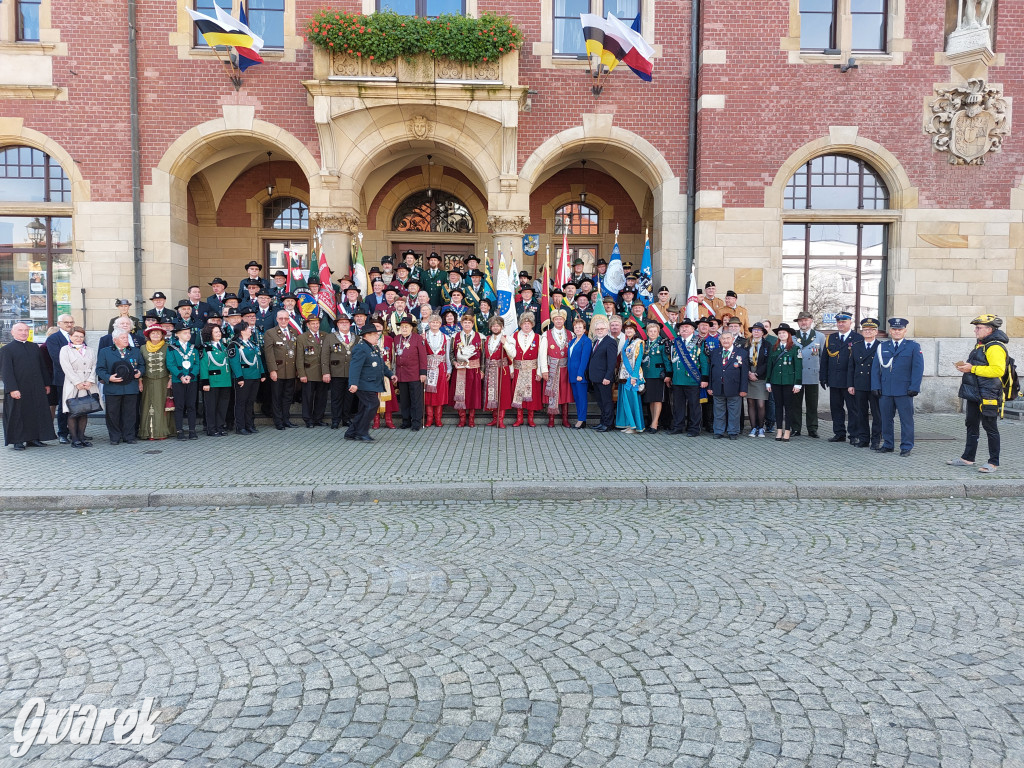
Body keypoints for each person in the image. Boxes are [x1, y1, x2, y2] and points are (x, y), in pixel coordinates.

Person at [952, 314, 1009, 473]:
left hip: (988, 394)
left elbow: (998, 370)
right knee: (971, 424)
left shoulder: (995, 347)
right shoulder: (982, 345)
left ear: (989, 329)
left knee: (990, 427)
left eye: (978, 328)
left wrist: (973, 368)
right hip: (975, 393)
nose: (975, 330)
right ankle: (968, 458)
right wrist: (966, 367)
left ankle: (993, 462)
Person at [871, 318, 924, 457]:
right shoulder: (883, 346)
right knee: (886, 419)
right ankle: (888, 444)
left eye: (899, 329)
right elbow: (875, 368)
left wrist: (914, 387)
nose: (896, 332)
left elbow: (918, 368)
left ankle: (906, 446)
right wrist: (875, 386)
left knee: (906, 419)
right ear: (890, 331)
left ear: (905, 331)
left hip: (904, 390)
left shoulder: (913, 346)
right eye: (894, 329)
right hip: (886, 389)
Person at [1, 322, 57, 450]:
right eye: (20, 330)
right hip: (18, 388)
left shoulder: (34, 347)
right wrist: (12, 389)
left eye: (26, 330)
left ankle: (33, 438)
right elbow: (6, 372)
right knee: (18, 414)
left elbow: (42, 367)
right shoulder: (6, 349)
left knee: (35, 412)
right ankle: (18, 440)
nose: (23, 333)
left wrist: (46, 383)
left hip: (36, 387)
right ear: (13, 332)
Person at [344, 324, 396, 442]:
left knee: (364, 408)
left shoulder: (374, 347)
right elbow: (355, 367)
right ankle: (362, 432)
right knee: (372, 404)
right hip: (364, 384)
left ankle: (351, 432)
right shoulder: (361, 348)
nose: (377, 337)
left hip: (372, 383)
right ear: (367, 336)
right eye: (375, 335)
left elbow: (381, 364)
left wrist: (390, 374)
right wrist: (353, 383)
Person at [819, 311, 863, 443]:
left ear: (850, 322)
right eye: (838, 322)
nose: (841, 324)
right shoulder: (831, 338)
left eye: (843, 322)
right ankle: (839, 433)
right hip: (834, 379)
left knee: (852, 408)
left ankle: (854, 434)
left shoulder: (857, 338)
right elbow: (825, 359)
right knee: (836, 408)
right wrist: (823, 377)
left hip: (850, 381)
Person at [96, 328, 145, 445]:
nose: (126, 340)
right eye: (123, 338)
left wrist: (140, 372)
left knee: (130, 413)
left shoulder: (135, 351)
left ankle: (129, 436)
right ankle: (114, 437)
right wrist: (108, 377)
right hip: (113, 388)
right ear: (115, 340)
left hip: (130, 387)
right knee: (113, 414)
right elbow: (99, 369)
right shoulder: (105, 352)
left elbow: (142, 365)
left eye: (127, 338)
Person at [59, 326, 99, 448]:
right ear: (70, 337)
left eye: (81, 336)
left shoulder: (90, 350)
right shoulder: (65, 350)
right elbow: (66, 367)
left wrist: (90, 381)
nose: (79, 338)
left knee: (84, 411)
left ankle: (82, 437)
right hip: (73, 383)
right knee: (73, 411)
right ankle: (74, 439)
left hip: (88, 384)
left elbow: (95, 366)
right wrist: (77, 382)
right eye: (76, 336)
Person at [667, 319, 708, 437]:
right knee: (677, 405)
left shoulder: (699, 342)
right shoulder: (675, 342)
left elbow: (704, 362)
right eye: (682, 327)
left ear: (692, 330)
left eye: (687, 327)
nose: (684, 329)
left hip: (693, 380)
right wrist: (670, 376)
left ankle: (694, 428)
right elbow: (670, 360)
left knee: (694, 406)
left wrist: (704, 378)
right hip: (677, 380)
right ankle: (678, 426)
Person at [847, 317, 882, 449]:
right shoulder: (856, 347)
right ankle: (863, 439)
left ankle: (876, 440)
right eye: (865, 330)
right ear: (862, 332)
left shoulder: (880, 347)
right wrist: (850, 384)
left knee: (876, 414)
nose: (868, 332)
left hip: (874, 385)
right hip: (859, 384)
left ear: (876, 332)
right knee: (861, 413)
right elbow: (851, 367)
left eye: (871, 330)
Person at [708, 331, 749, 439]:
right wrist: (710, 386)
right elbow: (711, 371)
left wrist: (743, 389)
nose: (726, 340)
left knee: (734, 412)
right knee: (718, 411)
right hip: (718, 387)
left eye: (728, 338)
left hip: (734, 388)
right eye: (723, 339)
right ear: (720, 340)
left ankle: (733, 432)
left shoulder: (742, 353)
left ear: (732, 340)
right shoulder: (715, 352)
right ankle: (718, 431)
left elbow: (744, 373)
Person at [766, 323, 802, 442]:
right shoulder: (774, 348)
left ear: (789, 334)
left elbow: (798, 367)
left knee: (788, 407)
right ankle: (779, 430)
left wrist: (798, 383)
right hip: (776, 381)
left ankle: (787, 431)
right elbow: (769, 366)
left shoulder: (795, 348)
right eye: (780, 333)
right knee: (778, 407)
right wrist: (768, 382)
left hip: (789, 382)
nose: (781, 335)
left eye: (784, 333)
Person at [228, 321, 265, 435]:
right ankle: (240, 426)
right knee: (241, 402)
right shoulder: (234, 345)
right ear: (242, 331)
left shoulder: (252, 343)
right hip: (243, 377)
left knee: (250, 402)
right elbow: (234, 362)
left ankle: (249, 425)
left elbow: (258, 359)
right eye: (248, 328)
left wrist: (262, 373)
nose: (251, 330)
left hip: (254, 376)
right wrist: (239, 377)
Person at [264, 309, 299, 430]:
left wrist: (297, 370)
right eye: (281, 318)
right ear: (277, 319)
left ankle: (286, 419)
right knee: (277, 397)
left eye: (286, 318)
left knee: (288, 397)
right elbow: (269, 354)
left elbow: (296, 352)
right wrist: (272, 370)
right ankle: (278, 421)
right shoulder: (270, 333)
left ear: (289, 319)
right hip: (277, 371)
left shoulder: (294, 332)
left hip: (290, 371)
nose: (283, 321)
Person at [792, 311, 825, 438]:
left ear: (811, 321)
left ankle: (812, 428)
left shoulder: (820, 336)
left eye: (806, 320)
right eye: (801, 321)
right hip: (797, 375)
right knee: (795, 403)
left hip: (812, 374)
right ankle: (795, 428)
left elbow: (823, 357)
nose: (803, 323)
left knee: (812, 404)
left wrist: (822, 375)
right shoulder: (793, 336)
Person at [139, 325, 174, 440]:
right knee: (147, 405)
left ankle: (162, 431)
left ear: (162, 335)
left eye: (158, 333)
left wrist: (170, 379)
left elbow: (170, 364)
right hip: (147, 380)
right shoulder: (142, 348)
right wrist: (140, 381)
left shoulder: (167, 347)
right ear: (148, 335)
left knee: (162, 405)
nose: (155, 335)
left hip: (163, 380)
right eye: (153, 333)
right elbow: (141, 365)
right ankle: (148, 432)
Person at [538, 309, 572, 428]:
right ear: (552, 320)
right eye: (556, 319)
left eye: (561, 319)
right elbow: (542, 354)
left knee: (565, 394)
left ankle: (565, 418)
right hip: (551, 367)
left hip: (565, 368)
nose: (559, 321)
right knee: (551, 392)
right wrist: (544, 370)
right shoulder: (546, 334)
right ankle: (551, 418)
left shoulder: (570, 334)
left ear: (564, 320)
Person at [166, 322, 200, 440]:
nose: (188, 335)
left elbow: (196, 364)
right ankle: (179, 431)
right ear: (178, 335)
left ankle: (192, 430)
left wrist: (190, 375)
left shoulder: (193, 347)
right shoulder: (171, 348)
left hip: (191, 380)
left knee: (191, 405)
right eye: (185, 333)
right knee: (179, 406)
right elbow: (170, 364)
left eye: (189, 333)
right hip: (178, 380)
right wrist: (180, 376)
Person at [394, 316, 427, 430]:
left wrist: (423, 373)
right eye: (402, 326)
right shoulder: (396, 338)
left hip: (414, 374)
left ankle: (416, 422)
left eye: (406, 326)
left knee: (415, 400)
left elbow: (423, 357)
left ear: (411, 328)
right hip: (401, 374)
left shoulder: (417, 338)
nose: (404, 328)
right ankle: (406, 421)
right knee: (404, 400)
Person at [323, 314, 356, 429]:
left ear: (350, 324)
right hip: (336, 372)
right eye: (341, 323)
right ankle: (335, 420)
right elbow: (325, 356)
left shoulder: (355, 338)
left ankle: (346, 419)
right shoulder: (330, 337)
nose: (344, 324)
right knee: (336, 398)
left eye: (346, 322)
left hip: (351, 373)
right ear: (337, 324)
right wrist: (325, 372)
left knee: (349, 398)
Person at [450, 313, 483, 427]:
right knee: (460, 395)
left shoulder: (480, 336)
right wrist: (454, 362)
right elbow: (451, 353)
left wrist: (482, 370)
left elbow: (483, 356)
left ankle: (472, 419)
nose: (467, 324)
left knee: (472, 395)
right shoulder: (455, 337)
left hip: (474, 370)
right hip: (460, 370)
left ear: (473, 324)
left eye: (469, 323)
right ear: (461, 324)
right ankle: (462, 418)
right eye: (465, 323)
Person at [510, 312, 543, 427]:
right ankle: (519, 418)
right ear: (520, 324)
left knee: (531, 395)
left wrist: (540, 372)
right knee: (518, 394)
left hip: (532, 370)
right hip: (518, 369)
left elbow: (541, 356)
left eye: (529, 324)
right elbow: (510, 355)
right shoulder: (514, 336)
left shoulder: (538, 337)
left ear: (532, 325)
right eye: (524, 323)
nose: (526, 326)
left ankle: (530, 418)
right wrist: (511, 370)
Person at [46, 313, 74, 443]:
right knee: (64, 407)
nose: (69, 324)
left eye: (71, 322)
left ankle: (76, 432)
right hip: (63, 378)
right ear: (59, 323)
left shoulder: (77, 336)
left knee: (78, 406)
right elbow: (57, 359)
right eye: (66, 322)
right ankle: (63, 433)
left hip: (79, 379)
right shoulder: (53, 339)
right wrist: (74, 372)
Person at [198, 324, 231, 436]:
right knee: (211, 406)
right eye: (216, 332)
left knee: (223, 406)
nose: (219, 334)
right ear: (209, 334)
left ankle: (220, 426)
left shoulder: (225, 346)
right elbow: (203, 365)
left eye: (219, 332)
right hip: (212, 381)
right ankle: (211, 428)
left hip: (225, 380)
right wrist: (205, 382)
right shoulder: (205, 348)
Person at [297, 315, 328, 428]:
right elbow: (299, 358)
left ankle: (318, 418)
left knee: (321, 397)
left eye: (317, 323)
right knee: (308, 398)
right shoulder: (302, 338)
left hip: (323, 373)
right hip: (309, 372)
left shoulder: (325, 336)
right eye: (313, 324)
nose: (315, 325)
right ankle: (308, 419)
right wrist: (302, 374)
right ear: (308, 325)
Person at [589, 315, 618, 432]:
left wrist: (607, 377)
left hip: (604, 378)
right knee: (601, 402)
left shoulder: (610, 342)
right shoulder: (596, 341)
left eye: (602, 329)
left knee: (606, 402)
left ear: (607, 330)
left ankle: (608, 424)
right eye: (597, 329)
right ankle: (602, 422)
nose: (599, 331)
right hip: (596, 378)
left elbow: (612, 362)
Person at [615, 320, 645, 434]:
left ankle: (634, 426)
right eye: (627, 329)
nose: (628, 331)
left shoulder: (638, 342)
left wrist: (634, 376)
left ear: (635, 330)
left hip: (632, 376)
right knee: (625, 401)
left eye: (631, 329)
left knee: (632, 401)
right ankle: (629, 424)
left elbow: (638, 361)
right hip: (624, 376)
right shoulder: (627, 342)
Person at [640, 320, 670, 433]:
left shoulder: (662, 344)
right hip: (647, 375)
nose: (652, 333)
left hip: (658, 375)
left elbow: (667, 360)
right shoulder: (643, 343)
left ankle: (655, 423)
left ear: (658, 332)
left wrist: (668, 374)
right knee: (650, 400)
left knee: (657, 400)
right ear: (647, 332)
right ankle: (652, 421)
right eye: (650, 331)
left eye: (654, 331)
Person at [423, 314, 450, 427]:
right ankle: (429, 418)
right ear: (429, 324)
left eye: (437, 322)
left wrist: (449, 369)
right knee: (428, 394)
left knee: (439, 393)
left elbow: (447, 354)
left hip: (440, 367)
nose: (434, 324)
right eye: (432, 322)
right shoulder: (424, 337)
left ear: (440, 324)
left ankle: (438, 418)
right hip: (428, 367)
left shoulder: (446, 337)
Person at [745, 323, 770, 437]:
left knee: (760, 404)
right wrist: (749, 373)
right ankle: (753, 427)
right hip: (748, 374)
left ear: (763, 333)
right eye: (754, 330)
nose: (756, 332)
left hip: (761, 376)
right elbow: (742, 359)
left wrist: (757, 374)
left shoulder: (767, 345)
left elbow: (767, 362)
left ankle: (761, 427)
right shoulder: (746, 343)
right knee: (750, 403)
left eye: (759, 330)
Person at [566, 316, 592, 429]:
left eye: (580, 327)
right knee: (577, 398)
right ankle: (580, 418)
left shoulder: (586, 341)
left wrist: (580, 374)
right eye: (576, 327)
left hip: (580, 375)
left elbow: (584, 359)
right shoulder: (572, 341)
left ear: (584, 329)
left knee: (582, 398)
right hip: (572, 374)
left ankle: (582, 420)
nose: (578, 329)